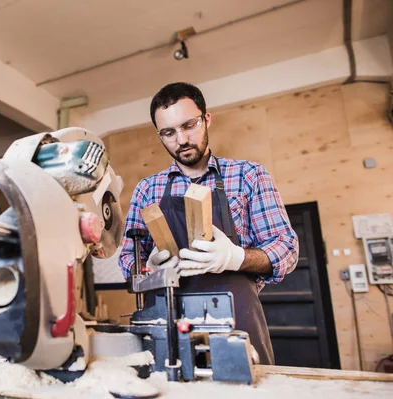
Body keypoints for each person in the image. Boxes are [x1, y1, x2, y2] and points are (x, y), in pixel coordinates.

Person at [118, 82, 299, 365]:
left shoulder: (249, 176)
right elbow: (128, 260)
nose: (181, 140)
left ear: (207, 119)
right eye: (168, 132)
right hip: (168, 327)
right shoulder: (147, 189)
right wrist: (148, 269)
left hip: (237, 323)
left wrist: (235, 257)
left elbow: (286, 249)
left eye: (189, 125)